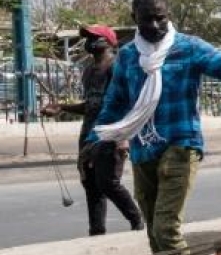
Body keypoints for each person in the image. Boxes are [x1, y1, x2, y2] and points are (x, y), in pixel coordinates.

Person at [90, 0, 221, 255]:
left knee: (166, 228)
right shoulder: (128, 56)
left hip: (181, 143)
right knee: (153, 231)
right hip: (143, 150)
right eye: (146, 19)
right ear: (134, 18)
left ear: (169, 16)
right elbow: (115, 103)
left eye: (160, 19)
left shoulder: (188, 47)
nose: (154, 26)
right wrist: (95, 139)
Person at [41, 24, 144, 236]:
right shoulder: (89, 70)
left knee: (108, 182)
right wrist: (61, 107)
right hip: (88, 134)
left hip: (111, 134)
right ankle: (96, 232)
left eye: (93, 38)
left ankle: (136, 220)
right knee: (91, 185)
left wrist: (123, 136)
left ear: (107, 42)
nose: (89, 42)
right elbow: (91, 105)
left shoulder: (116, 68)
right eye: (88, 38)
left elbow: (127, 103)